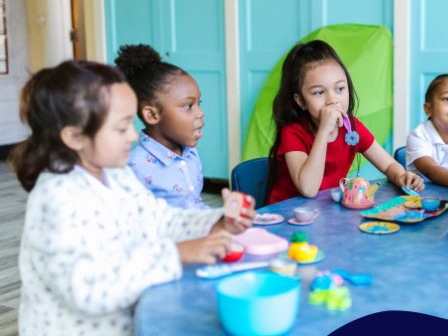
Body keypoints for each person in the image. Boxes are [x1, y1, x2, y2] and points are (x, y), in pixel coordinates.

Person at [10, 61, 254, 335]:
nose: (133, 135)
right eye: (121, 127)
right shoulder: (57, 198)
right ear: (75, 137)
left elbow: (160, 219)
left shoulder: (117, 175)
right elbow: (88, 289)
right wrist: (174, 255)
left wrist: (216, 221)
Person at [266, 40, 424, 204]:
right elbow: (308, 189)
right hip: (287, 216)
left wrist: (402, 176)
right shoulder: (292, 132)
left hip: (324, 213)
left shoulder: (352, 128)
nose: (332, 100)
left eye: (339, 89)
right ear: (301, 101)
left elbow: (388, 165)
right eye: (319, 92)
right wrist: (323, 132)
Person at [116, 44, 207, 209]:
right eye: (188, 106)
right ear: (152, 115)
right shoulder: (134, 168)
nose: (200, 113)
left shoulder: (191, 154)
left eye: (198, 104)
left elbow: (196, 205)